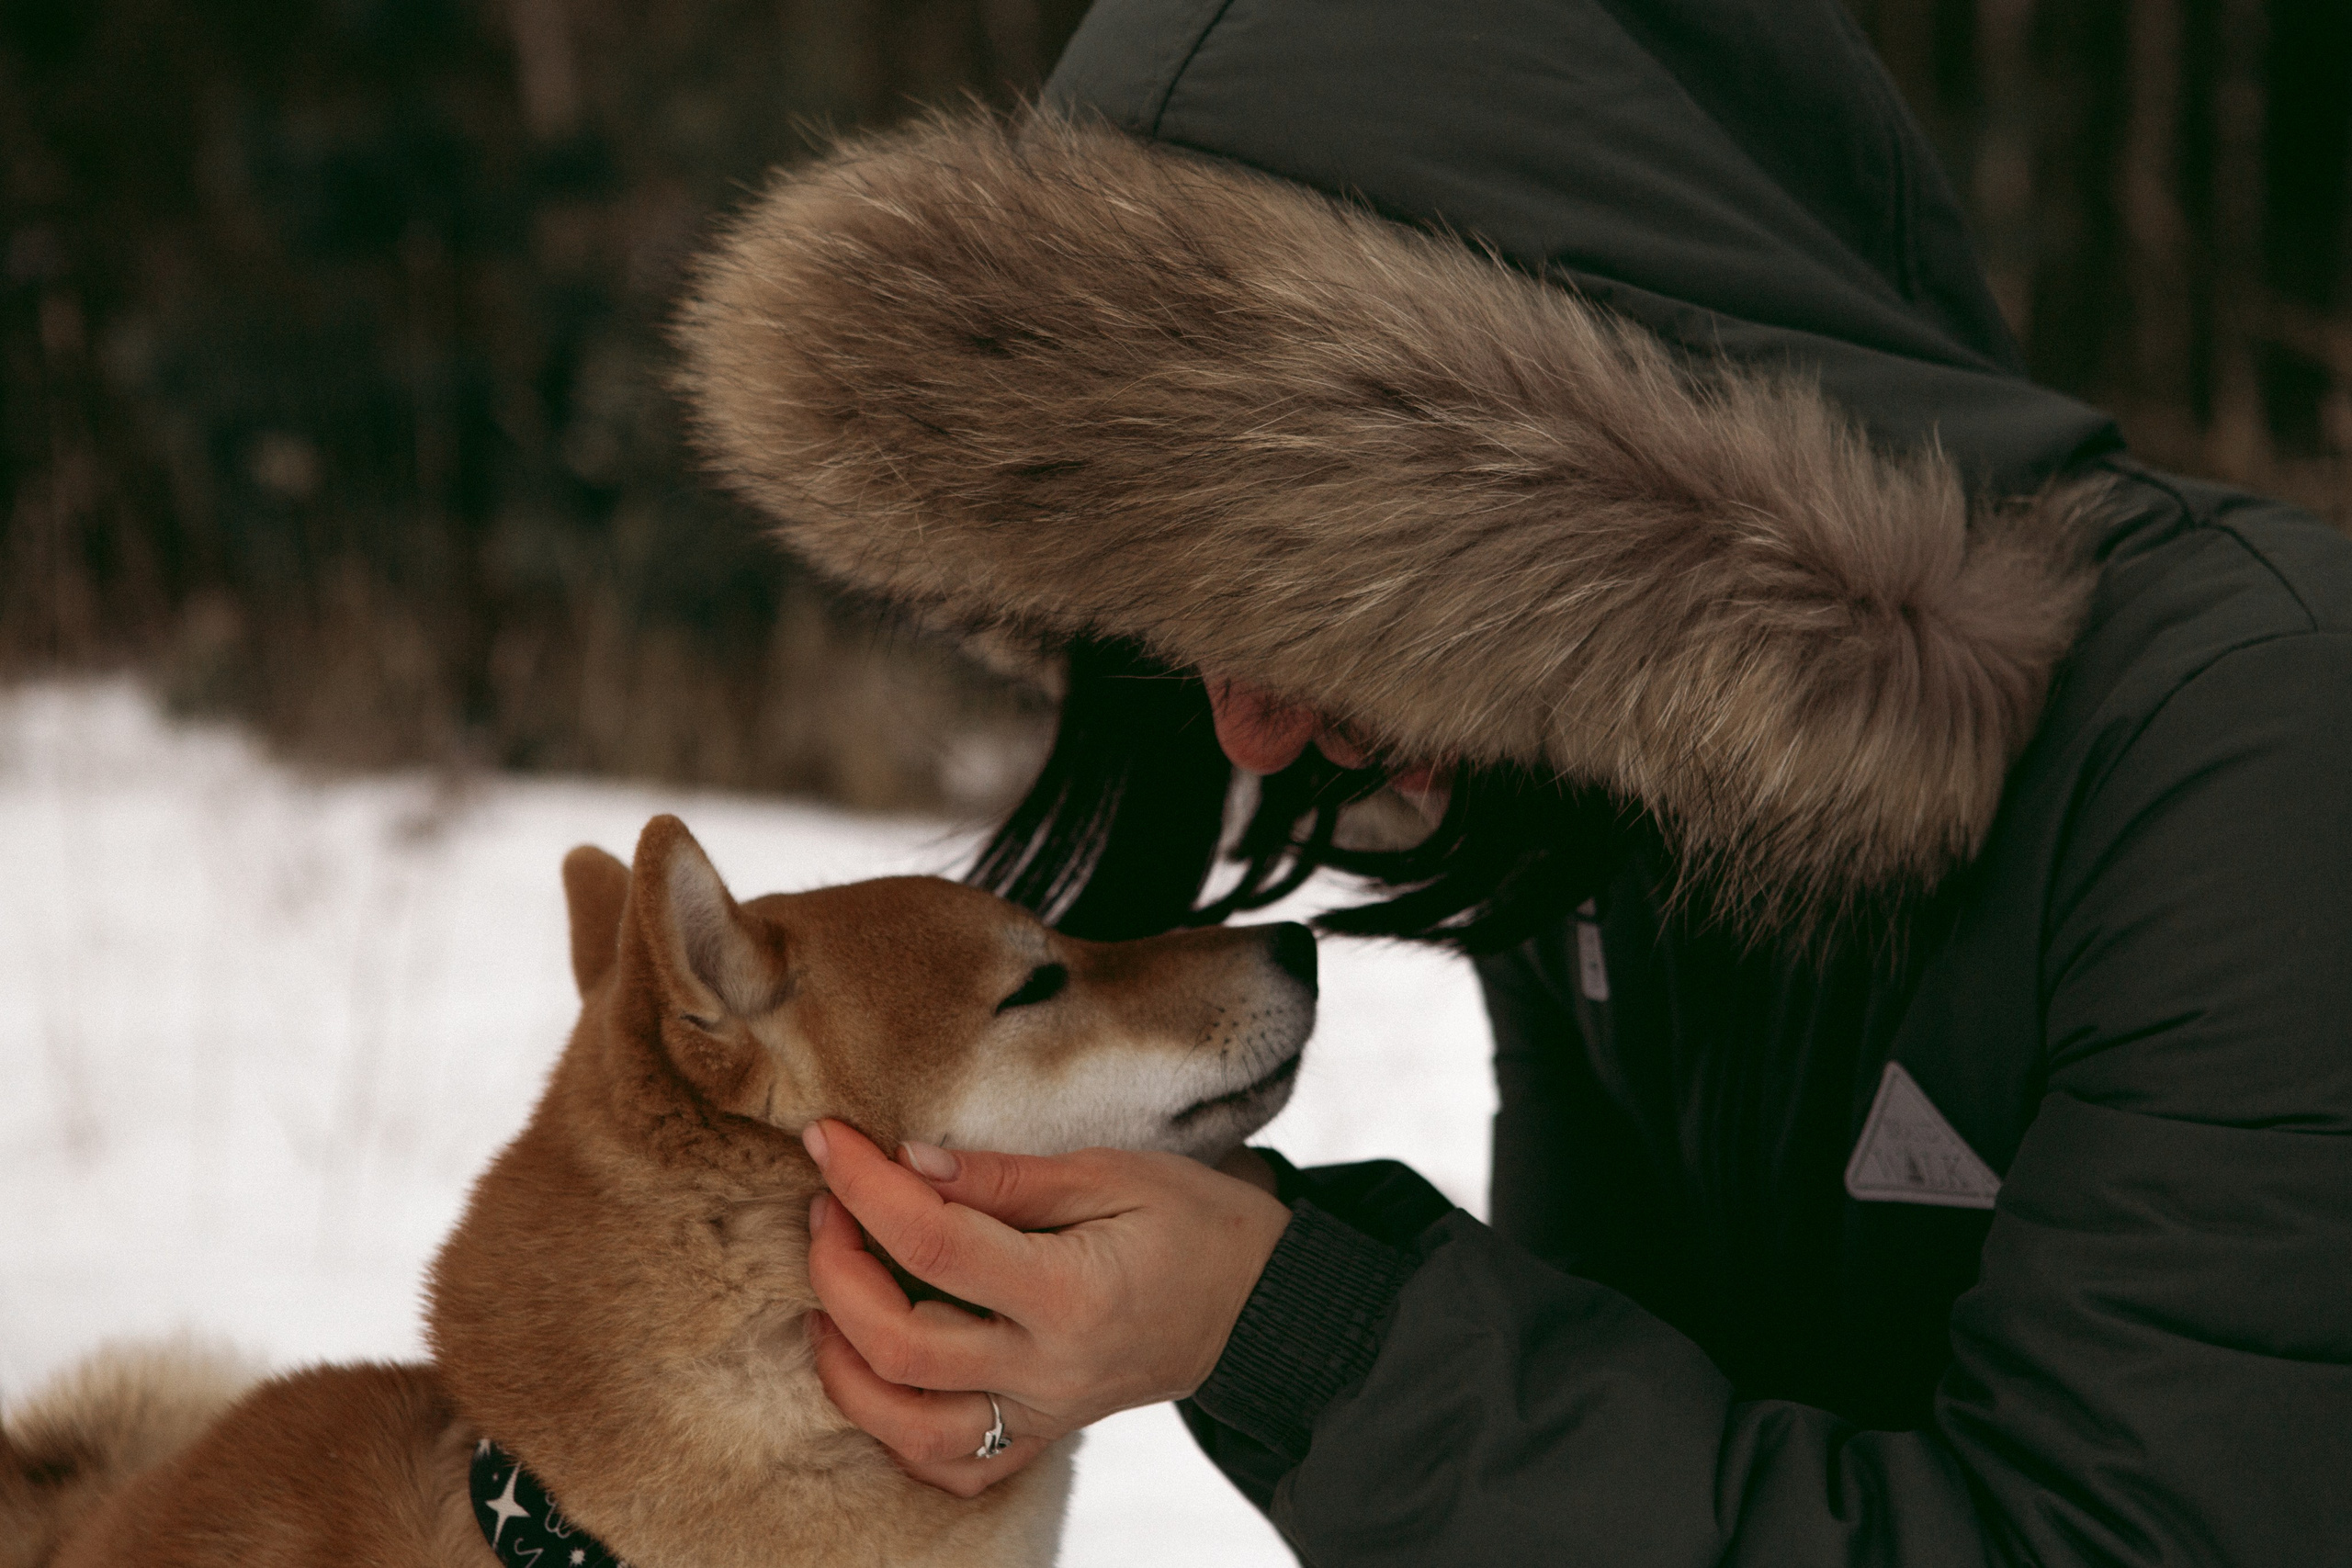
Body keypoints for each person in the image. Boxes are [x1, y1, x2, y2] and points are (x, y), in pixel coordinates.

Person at [673, 1, 2352, 1561]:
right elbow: (1639, 1404)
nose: (1247, 734)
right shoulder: (1596, 823)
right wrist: (1221, 1285)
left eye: (1318, 591)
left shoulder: (2254, 754)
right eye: (1184, 617)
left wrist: (1290, 1332)